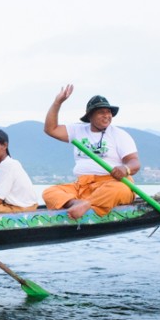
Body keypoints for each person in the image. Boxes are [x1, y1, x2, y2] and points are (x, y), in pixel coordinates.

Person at [42, 84, 140, 219]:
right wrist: (57, 102)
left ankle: (87, 204)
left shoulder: (119, 134)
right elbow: (50, 129)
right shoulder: (77, 130)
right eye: (101, 112)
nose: (106, 116)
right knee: (50, 192)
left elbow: (134, 162)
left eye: (108, 112)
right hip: (82, 187)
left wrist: (125, 169)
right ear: (90, 116)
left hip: (110, 183)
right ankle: (77, 203)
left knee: (121, 190)